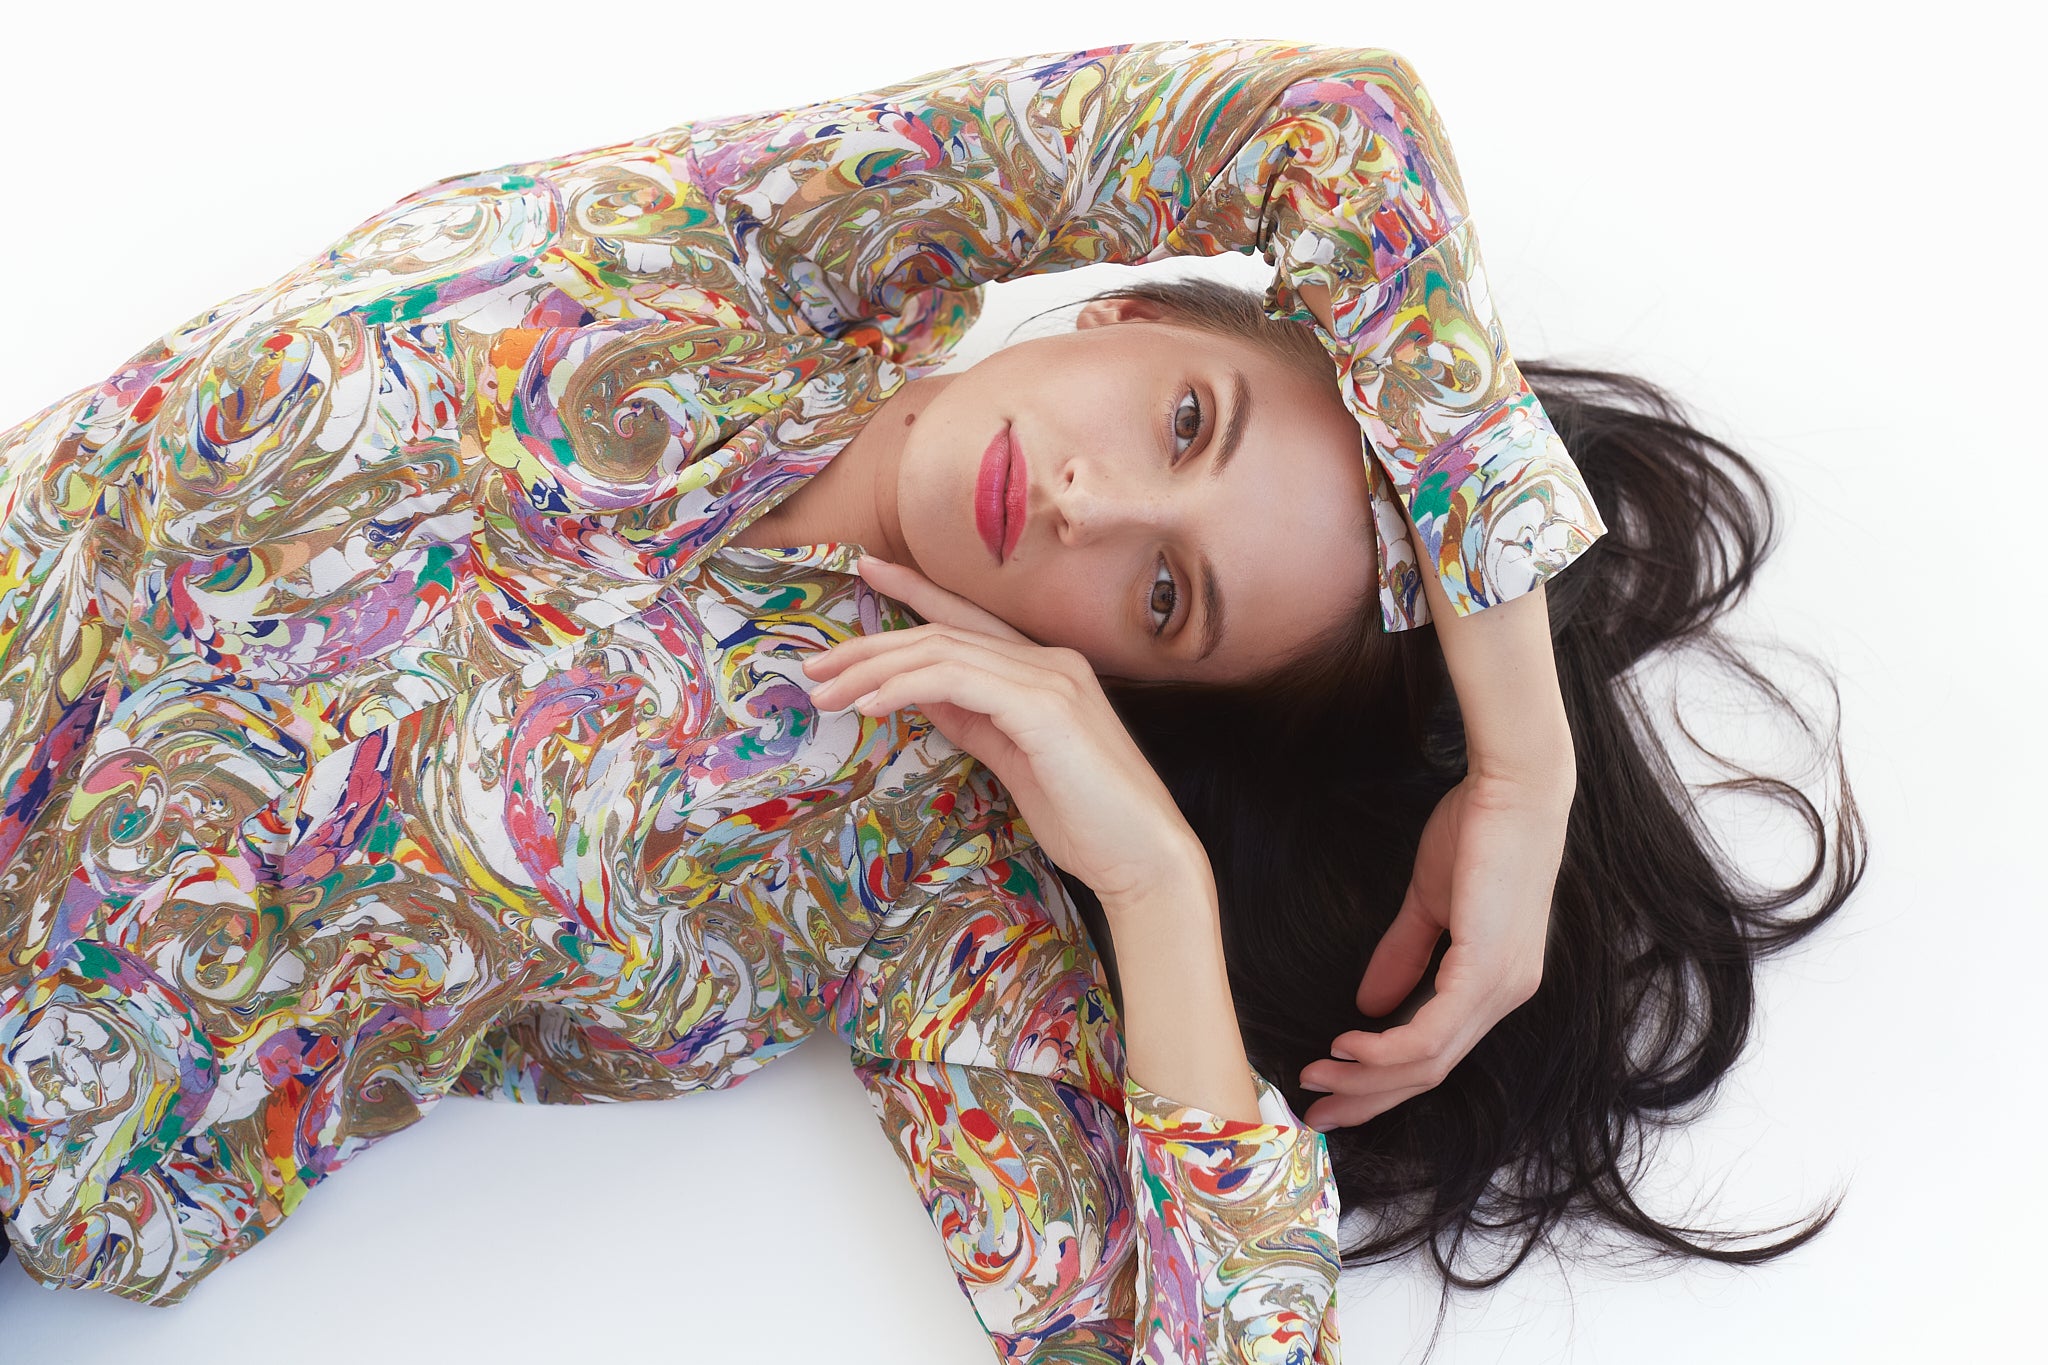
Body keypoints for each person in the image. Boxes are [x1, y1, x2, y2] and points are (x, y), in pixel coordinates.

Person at [0, 37, 1861, 1361]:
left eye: (1168, 595)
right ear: (1126, 314)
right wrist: (1516, 758)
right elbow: (1336, 120)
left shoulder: (910, 871)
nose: (1090, 498)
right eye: (1183, 426)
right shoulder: (783, 242)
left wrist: (1155, 895)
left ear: (1134, 680)